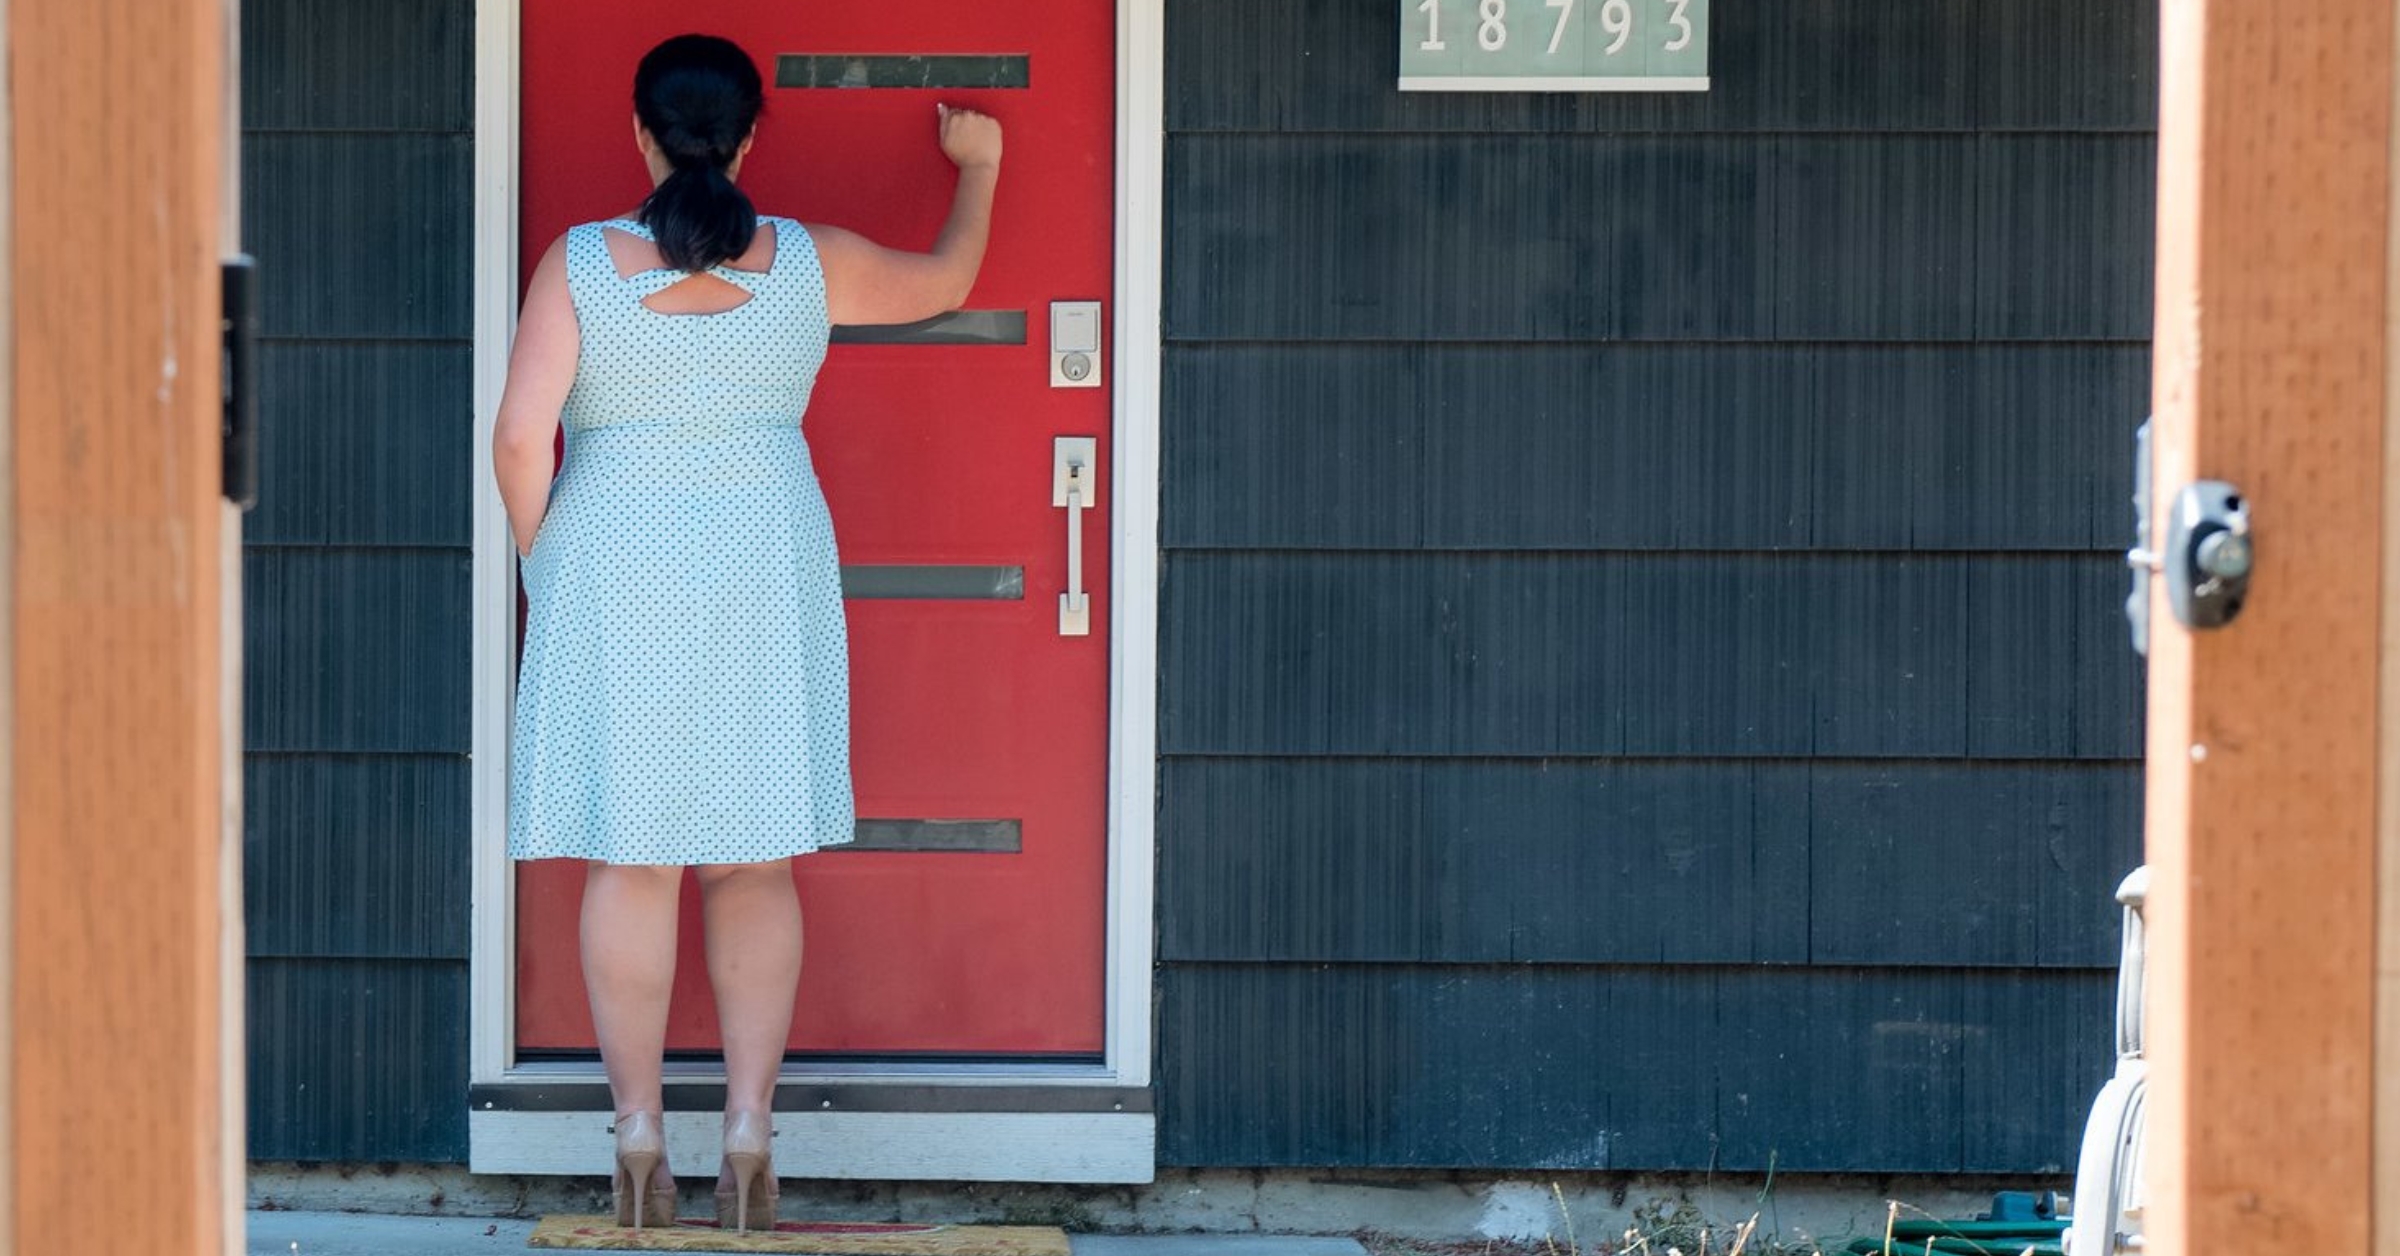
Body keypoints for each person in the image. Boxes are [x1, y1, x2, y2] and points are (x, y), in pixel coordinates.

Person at [490, 32, 1001, 1233]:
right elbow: (945, 283)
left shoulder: (579, 265)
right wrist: (978, 166)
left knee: (634, 852)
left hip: (616, 554)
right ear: (752, 137)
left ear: (639, 134)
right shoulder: (809, 265)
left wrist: (540, 554)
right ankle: (751, 1129)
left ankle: (635, 1131)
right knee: (754, 853)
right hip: (767, 553)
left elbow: (521, 437)